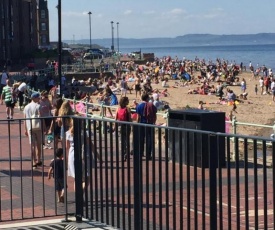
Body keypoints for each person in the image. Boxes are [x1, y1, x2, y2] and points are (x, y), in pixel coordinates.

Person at [23, 92, 44, 169]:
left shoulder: (26, 107)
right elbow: (41, 117)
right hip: (38, 127)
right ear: (35, 98)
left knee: (32, 145)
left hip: (29, 127)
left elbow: (24, 119)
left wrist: (25, 129)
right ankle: (38, 160)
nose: (39, 99)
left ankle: (33, 161)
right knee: (39, 144)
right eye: (38, 98)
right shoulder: (38, 106)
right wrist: (44, 127)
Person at [135, 93, 157, 160]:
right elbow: (155, 115)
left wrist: (137, 124)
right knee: (149, 139)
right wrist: (153, 122)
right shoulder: (151, 106)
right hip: (150, 124)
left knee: (141, 139)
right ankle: (148, 154)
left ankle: (141, 153)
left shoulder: (139, 106)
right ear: (147, 98)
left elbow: (138, 117)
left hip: (141, 124)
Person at [115, 97, 132, 161]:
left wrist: (115, 127)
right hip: (127, 126)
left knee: (121, 141)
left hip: (120, 125)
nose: (128, 102)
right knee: (127, 140)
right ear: (125, 102)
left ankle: (122, 154)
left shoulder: (118, 108)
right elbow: (130, 119)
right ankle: (126, 154)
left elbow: (115, 118)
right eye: (127, 101)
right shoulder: (128, 109)